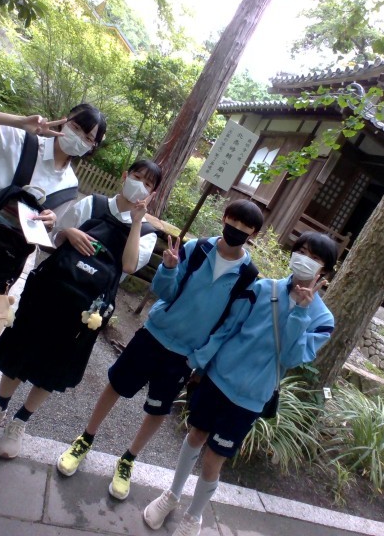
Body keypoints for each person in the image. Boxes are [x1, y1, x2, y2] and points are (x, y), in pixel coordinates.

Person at [56, 199, 264, 502]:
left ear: (254, 233)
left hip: (184, 356)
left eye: (246, 226)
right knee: (116, 385)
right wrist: (168, 268)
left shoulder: (248, 276)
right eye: (234, 220)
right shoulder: (196, 250)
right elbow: (165, 291)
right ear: (224, 218)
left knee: (158, 409)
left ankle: (128, 459)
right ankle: (85, 438)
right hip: (154, 334)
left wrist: (198, 359)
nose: (237, 228)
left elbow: (228, 326)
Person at [143, 231, 338, 536]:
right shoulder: (262, 288)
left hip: (250, 397)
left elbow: (290, 356)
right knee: (195, 435)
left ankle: (194, 516)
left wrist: (300, 311)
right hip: (219, 378)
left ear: (324, 271)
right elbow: (227, 329)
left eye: (314, 257)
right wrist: (200, 363)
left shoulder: (322, 320)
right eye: (301, 251)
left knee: (214, 458)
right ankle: (172, 495)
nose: (304, 259)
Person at [0, 159, 162, 459]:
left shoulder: (146, 232)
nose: (141, 186)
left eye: (148, 184)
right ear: (125, 176)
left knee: (54, 364)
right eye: (138, 177)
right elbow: (53, 239)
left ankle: (20, 422)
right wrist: (68, 233)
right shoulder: (93, 204)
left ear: (152, 194)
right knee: (20, 349)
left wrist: (136, 221)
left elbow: (129, 265)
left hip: (86, 312)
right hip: (50, 291)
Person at [0, 103, 106, 377]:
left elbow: (47, 234)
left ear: (92, 147)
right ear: (64, 120)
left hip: (2, 262)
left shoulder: (70, 185)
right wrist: (19, 121)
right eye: (77, 127)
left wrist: (51, 222)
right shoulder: (21, 141)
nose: (79, 137)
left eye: (88, 137)